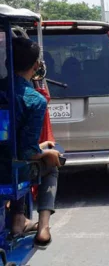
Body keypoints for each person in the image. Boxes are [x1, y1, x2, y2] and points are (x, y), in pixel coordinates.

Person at [8, 37, 62, 248]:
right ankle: (43, 228)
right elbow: (27, 152)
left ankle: (18, 218)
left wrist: (40, 148)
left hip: (6, 161)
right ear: (37, 66)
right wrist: (46, 152)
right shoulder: (34, 100)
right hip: (11, 169)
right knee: (52, 162)